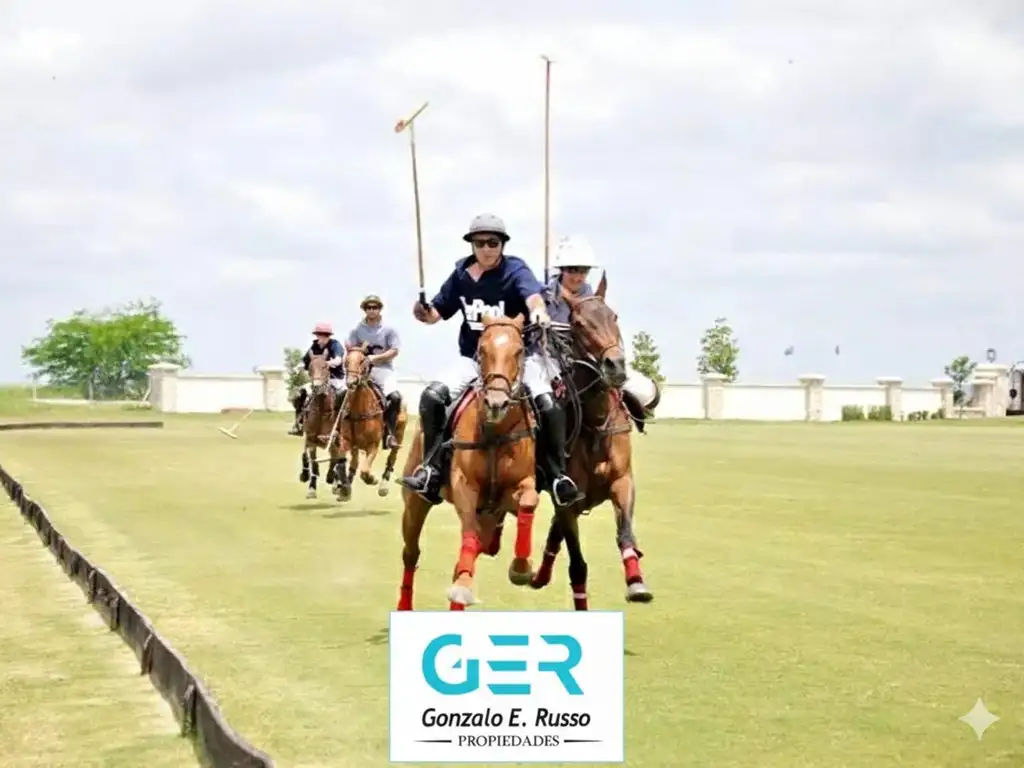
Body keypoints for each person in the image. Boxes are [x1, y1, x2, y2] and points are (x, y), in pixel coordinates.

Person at [398, 213, 583, 507]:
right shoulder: (461, 275)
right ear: (472, 245)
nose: (486, 248)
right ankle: (431, 470)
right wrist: (424, 313)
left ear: (502, 244)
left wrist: (538, 311)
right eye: (480, 242)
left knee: (548, 403)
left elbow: (533, 296)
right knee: (432, 397)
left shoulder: (515, 270)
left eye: (493, 242)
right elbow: (436, 314)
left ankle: (557, 475)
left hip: (516, 363)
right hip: (474, 360)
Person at [545, 235, 661, 429]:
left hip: (594, 365)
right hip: (551, 365)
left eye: (583, 270)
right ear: (562, 269)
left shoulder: (596, 302)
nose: (578, 277)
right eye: (572, 270)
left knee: (647, 393)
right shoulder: (543, 297)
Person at [346, 294, 403, 448]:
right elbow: (351, 350)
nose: (372, 310)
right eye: (368, 307)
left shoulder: (389, 329)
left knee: (395, 398)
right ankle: (339, 431)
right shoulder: (357, 330)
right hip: (361, 371)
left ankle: (389, 434)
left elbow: (394, 351)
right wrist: (357, 358)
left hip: (383, 369)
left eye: (375, 307)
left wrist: (375, 358)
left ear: (379, 309)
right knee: (342, 395)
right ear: (365, 310)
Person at [288, 322, 345, 435]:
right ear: (317, 335)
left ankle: (342, 427)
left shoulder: (335, 345)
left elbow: (339, 359)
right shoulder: (314, 347)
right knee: (299, 394)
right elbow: (304, 361)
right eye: (320, 334)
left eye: (325, 335)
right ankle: (299, 424)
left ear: (329, 335)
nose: (322, 337)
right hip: (316, 379)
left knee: (344, 396)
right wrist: (298, 367)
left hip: (335, 378)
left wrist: (327, 363)